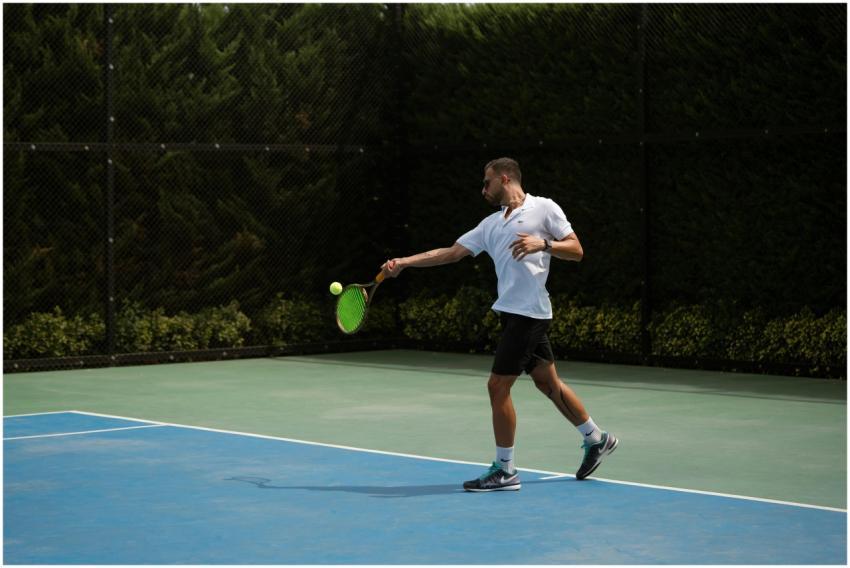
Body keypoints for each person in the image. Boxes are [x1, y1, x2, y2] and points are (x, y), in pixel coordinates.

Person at [381, 157, 618, 492]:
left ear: (505, 179)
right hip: (513, 313)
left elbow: (577, 250)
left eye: (486, 182)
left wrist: (544, 244)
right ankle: (597, 438)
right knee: (547, 384)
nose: (483, 189)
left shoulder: (544, 209)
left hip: (529, 314)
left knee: (497, 386)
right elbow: (450, 253)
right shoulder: (491, 225)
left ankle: (505, 470)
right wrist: (403, 263)